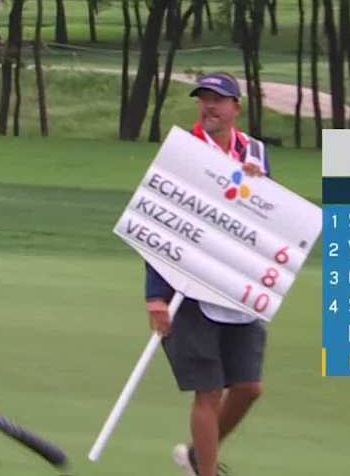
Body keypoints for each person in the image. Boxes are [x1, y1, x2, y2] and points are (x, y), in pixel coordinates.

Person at [145, 72, 270, 476]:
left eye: (218, 99)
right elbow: (157, 223)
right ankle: (207, 472)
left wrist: (260, 191)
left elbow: (269, 218)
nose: (209, 106)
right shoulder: (183, 151)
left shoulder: (255, 152)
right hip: (189, 287)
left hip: (238, 287)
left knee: (249, 388)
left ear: (236, 107)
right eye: (204, 99)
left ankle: (201, 456)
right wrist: (156, 296)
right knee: (209, 389)